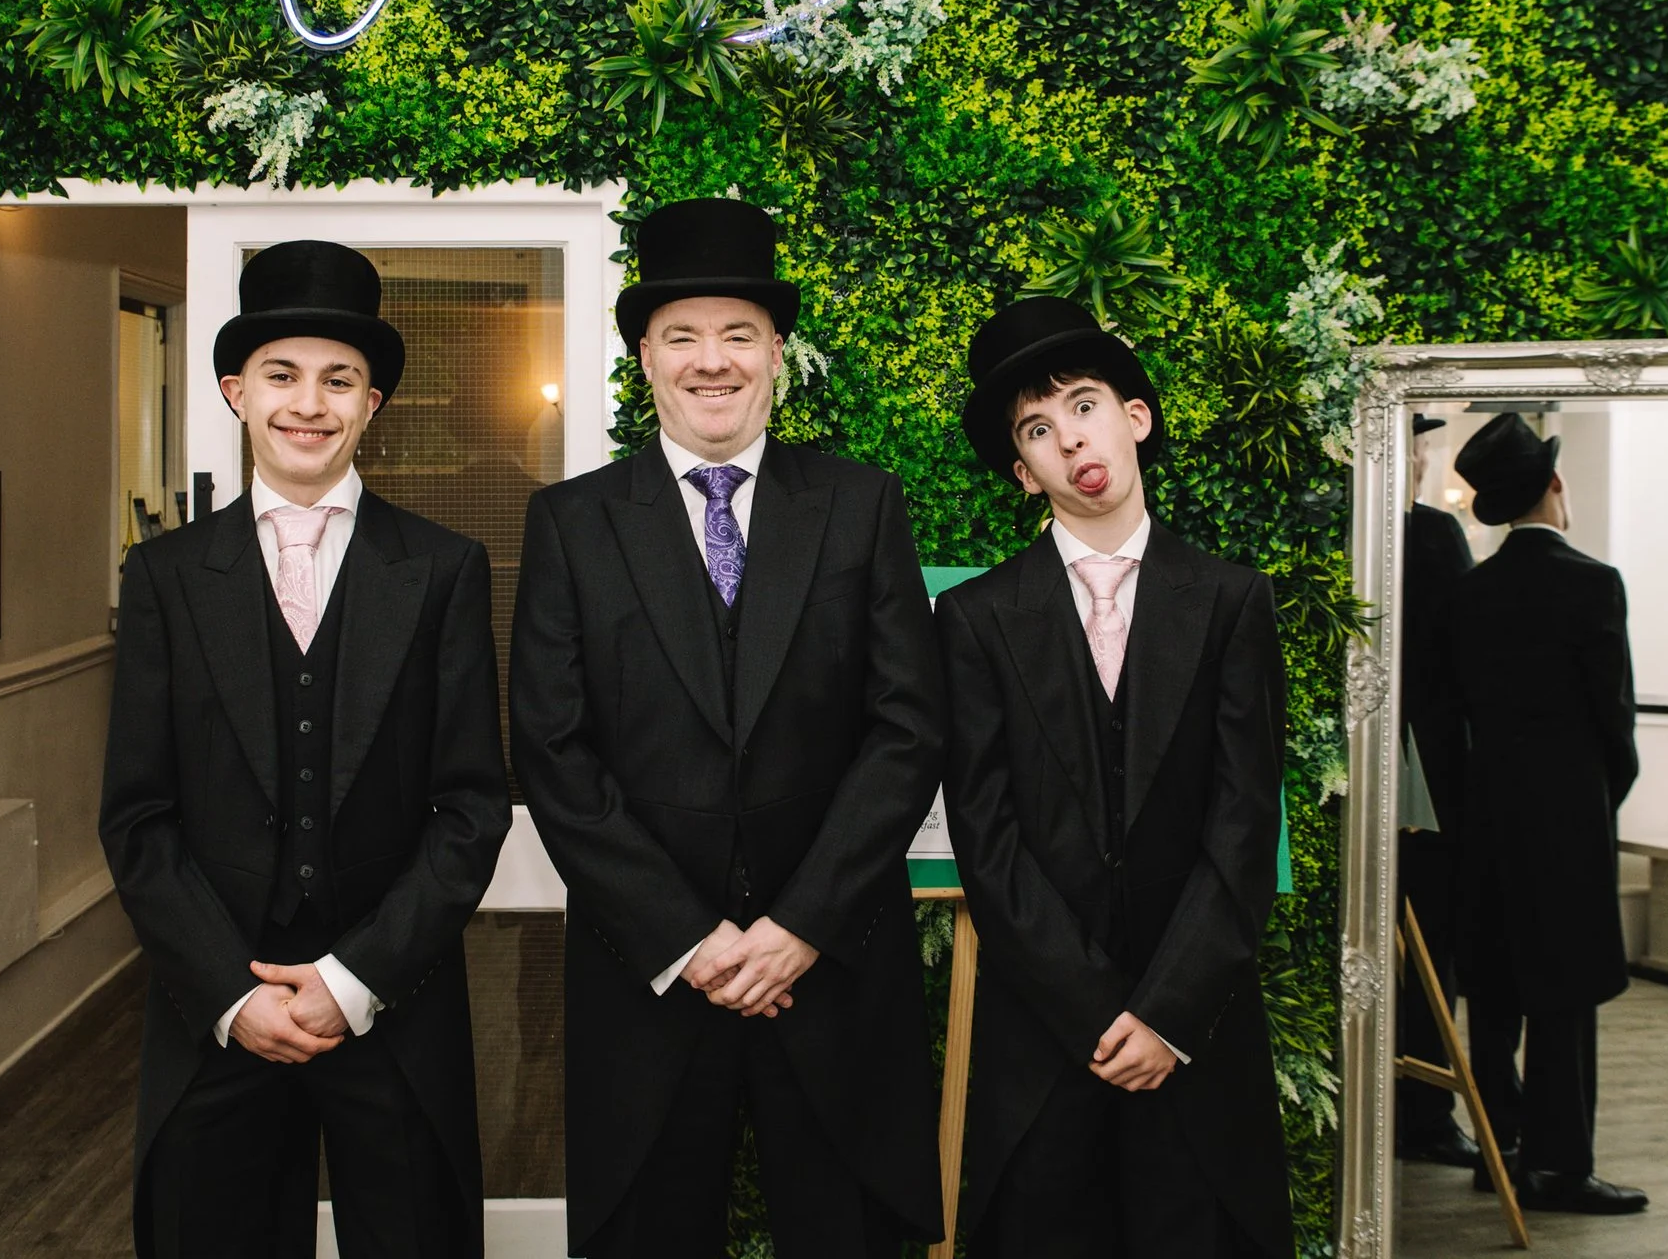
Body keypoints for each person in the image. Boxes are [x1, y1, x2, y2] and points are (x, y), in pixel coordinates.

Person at [510, 197, 945, 1259]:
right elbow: (554, 752)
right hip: (650, 981)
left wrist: (799, 926)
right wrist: (688, 939)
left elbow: (907, 728)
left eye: (739, 334)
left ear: (776, 354)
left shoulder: (861, 505)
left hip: (833, 974)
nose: (713, 361)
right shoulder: (572, 523)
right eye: (683, 336)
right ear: (644, 359)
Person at [100, 239, 511, 1257]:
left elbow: (470, 807)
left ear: (372, 404)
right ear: (236, 392)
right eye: (282, 375)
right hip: (217, 1010)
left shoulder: (442, 568)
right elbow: (139, 818)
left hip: (392, 1001)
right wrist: (232, 995)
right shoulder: (164, 576)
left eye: (339, 379)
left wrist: (354, 978)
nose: (309, 403)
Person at [935, 295, 1294, 1259]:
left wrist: (1166, 1015)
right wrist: (1098, 1013)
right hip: (1047, 1040)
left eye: (1085, 405)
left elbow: (1243, 824)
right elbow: (987, 837)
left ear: (1136, 417)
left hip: (1197, 1036)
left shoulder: (1231, 600)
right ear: (1024, 473)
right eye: (1037, 430)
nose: (1070, 439)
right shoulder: (975, 619)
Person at [1447, 412, 1648, 1216]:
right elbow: (1615, 719)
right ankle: (1559, 1166)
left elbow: (1458, 710)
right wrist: (1598, 797)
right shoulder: (1594, 583)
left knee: (1495, 989)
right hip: (1566, 818)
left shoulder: (1469, 594)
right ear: (1555, 485)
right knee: (1564, 997)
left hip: (1487, 812)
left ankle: (1499, 1148)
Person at [1395, 415, 1480, 1167]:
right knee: (1431, 939)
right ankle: (1423, 1112)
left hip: (1378, 766)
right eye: (1420, 444)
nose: (1424, 458)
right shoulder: (1431, 533)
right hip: (1427, 776)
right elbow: (1464, 659)